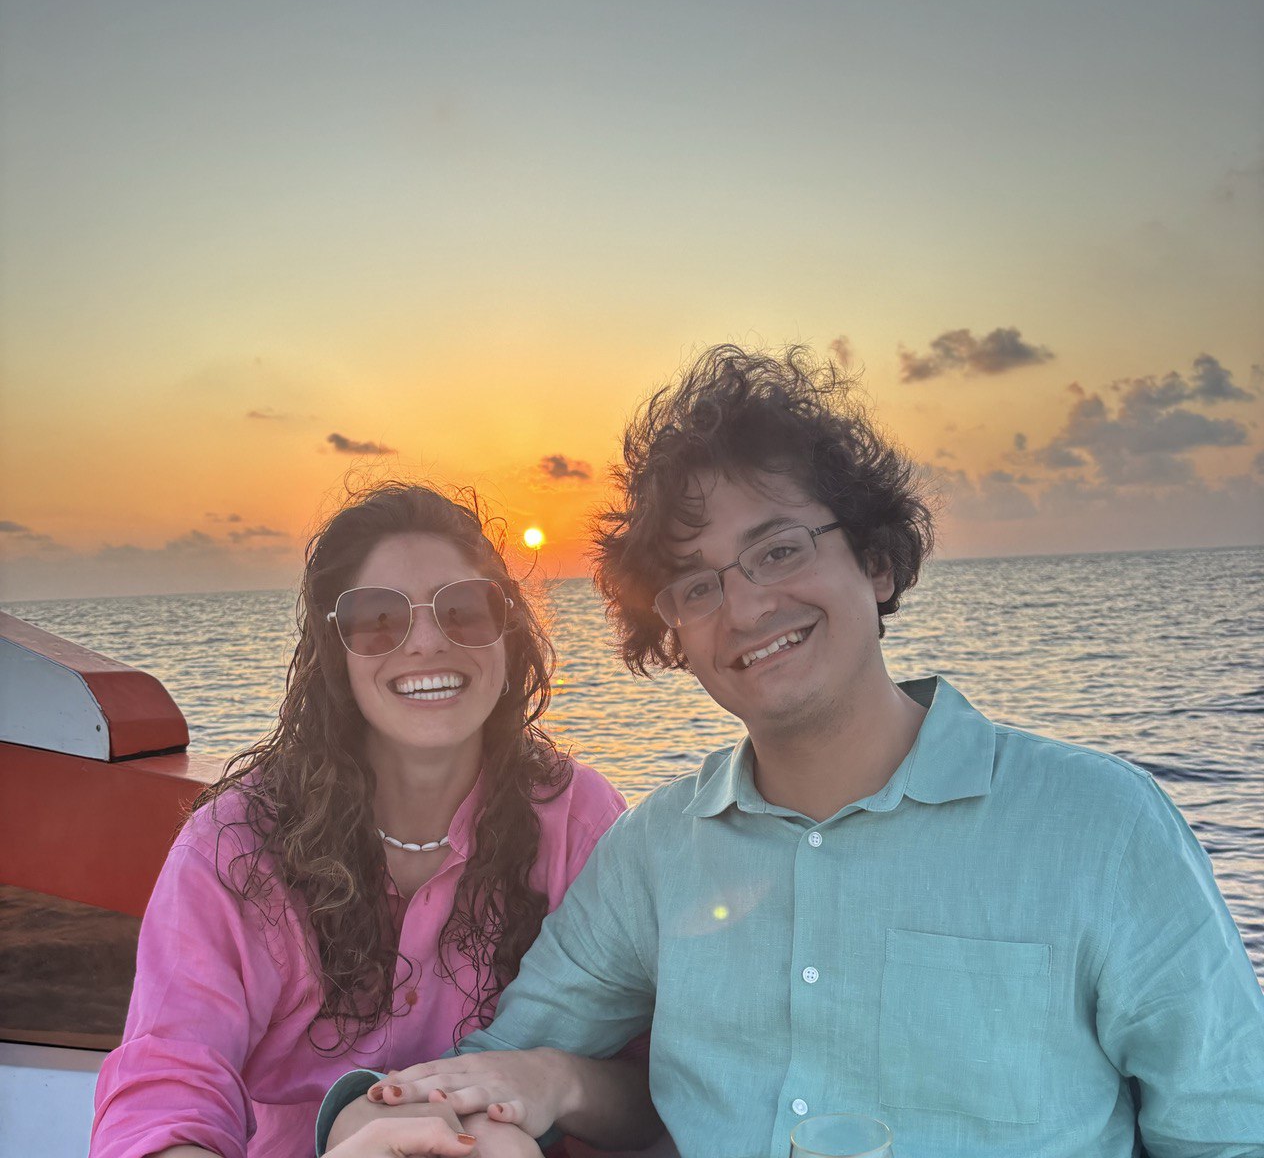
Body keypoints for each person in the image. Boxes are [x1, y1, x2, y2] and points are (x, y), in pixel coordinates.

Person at [327, 347, 1264, 1157]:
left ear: (877, 561)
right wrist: (369, 1118)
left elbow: (1229, 1127)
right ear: (672, 635)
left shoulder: (1100, 827)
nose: (744, 607)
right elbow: (501, 1062)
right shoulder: (656, 854)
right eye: (696, 586)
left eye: (779, 551)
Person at [90, 482, 645, 1158]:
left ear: (508, 633)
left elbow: (657, 1089)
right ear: (335, 654)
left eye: (464, 610)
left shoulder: (579, 822)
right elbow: (168, 1089)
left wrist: (557, 1078)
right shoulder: (236, 846)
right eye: (379, 618)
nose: (427, 642)